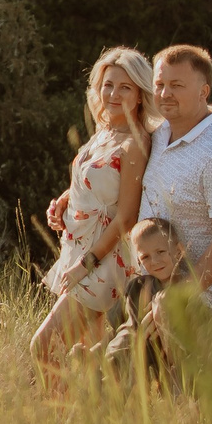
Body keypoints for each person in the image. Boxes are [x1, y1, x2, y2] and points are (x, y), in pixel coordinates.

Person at [30, 47, 156, 384]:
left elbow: (126, 217)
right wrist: (64, 200)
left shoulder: (134, 145)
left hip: (102, 262)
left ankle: (59, 420)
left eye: (125, 87)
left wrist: (85, 264)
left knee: (44, 346)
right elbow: (94, 179)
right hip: (78, 247)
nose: (114, 94)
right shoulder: (104, 130)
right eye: (108, 85)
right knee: (83, 358)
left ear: (141, 95)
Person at [140, 44, 212, 324]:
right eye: (160, 84)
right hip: (157, 284)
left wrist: (183, 294)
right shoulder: (160, 131)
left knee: (184, 369)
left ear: (203, 92)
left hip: (206, 295)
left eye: (177, 85)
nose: (165, 94)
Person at [104, 216, 189, 385]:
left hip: (172, 364)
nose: (155, 261)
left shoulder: (187, 290)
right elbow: (120, 325)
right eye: (146, 257)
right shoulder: (139, 286)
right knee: (119, 351)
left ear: (178, 251)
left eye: (161, 252)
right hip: (133, 358)